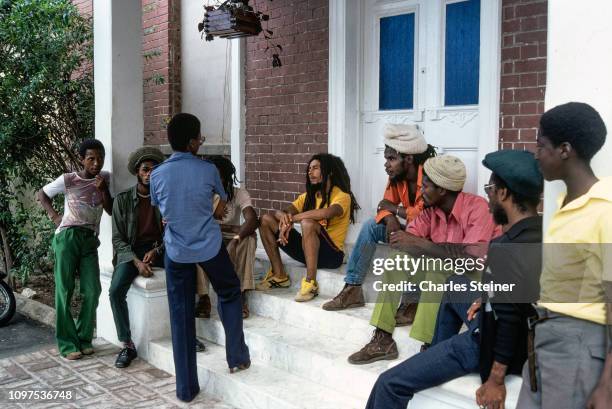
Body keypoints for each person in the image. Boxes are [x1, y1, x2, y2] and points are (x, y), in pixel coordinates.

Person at [366, 150, 543, 409]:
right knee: (454, 283)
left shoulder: (503, 243)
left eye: (490, 189)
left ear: (503, 193)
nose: (488, 196)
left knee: (388, 383)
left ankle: (434, 351)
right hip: (498, 320)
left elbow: (508, 320)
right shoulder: (545, 233)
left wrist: (495, 379)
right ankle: (427, 346)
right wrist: (487, 298)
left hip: (485, 341)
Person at [348, 155, 500, 365]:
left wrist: (425, 246)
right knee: (399, 260)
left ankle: (430, 345)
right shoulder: (431, 212)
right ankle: (382, 338)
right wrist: (416, 243)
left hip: (477, 280)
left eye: (426, 186)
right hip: (447, 272)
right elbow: (405, 242)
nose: (420, 191)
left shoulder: (478, 208)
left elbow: (470, 260)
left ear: (442, 189)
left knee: (439, 268)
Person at [516, 102, 612, 409]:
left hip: (579, 346)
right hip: (545, 339)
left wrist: (607, 386)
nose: (536, 154)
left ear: (565, 150)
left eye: (540, 145)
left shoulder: (604, 211)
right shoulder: (564, 204)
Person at [150, 113, 250, 402]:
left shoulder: (157, 174)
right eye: (200, 137)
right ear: (193, 142)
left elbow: (162, 211)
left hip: (176, 252)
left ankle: (186, 389)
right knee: (230, 292)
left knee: (180, 314)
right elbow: (219, 202)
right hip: (209, 246)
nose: (201, 141)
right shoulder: (208, 171)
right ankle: (237, 357)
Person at [322, 124, 436, 328]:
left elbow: (424, 216)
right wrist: (391, 219)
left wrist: (395, 210)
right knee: (370, 226)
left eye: (391, 159)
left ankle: (411, 302)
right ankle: (353, 288)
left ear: (408, 158)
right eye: (386, 158)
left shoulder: (430, 176)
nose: (386, 165)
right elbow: (383, 206)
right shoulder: (397, 178)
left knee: (412, 238)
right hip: (410, 227)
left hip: (430, 237)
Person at [109, 147, 207, 368]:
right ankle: (127, 345)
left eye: (155, 170)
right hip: (131, 254)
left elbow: (175, 231)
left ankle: (186, 335)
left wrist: (157, 251)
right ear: (137, 172)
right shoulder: (122, 201)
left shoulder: (167, 199)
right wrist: (137, 262)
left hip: (161, 249)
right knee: (115, 291)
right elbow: (117, 240)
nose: (150, 174)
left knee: (185, 274)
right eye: (145, 170)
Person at [37, 139, 113, 360]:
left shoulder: (105, 178)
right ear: (82, 159)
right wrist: (55, 217)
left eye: (100, 158)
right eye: (91, 158)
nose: (96, 163)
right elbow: (41, 194)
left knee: (92, 290)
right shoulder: (69, 180)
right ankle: (68, 344)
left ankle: (83, 337)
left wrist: (104, 190)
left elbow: (109, 210)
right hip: (68, 237)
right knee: (64, 290)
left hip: (90, 239)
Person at [257, 153, 359, 302]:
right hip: (308, 251)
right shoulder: (308, 196)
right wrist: (284, 218)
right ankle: (279, 276)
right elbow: (281, 212)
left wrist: (292, 220)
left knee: (308, 223)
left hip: (331, 255)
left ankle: (311, 283)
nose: (310, 172)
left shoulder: (342, 196)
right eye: (309, 169)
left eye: (316, 168)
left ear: (328, 171)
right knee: (265, 219)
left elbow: (326, 212)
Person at [195, 155, 259, 319]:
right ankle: (203, 298)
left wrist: (235, 239)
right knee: (196, 242)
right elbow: (197, 223)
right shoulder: (202, 192)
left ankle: (240, 295)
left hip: (231, 235)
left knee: (249, 238)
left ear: (226, 178)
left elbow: (252, 220)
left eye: (218, 177)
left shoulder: (238, 193)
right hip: (209, 234)